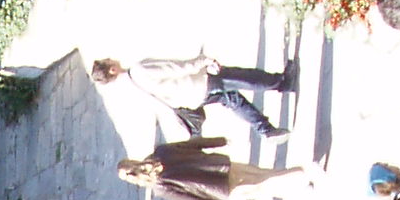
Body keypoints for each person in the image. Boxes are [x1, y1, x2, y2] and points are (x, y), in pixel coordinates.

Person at [90, 53, 295, 137]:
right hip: (198, 84)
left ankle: (266, 130)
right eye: (108, 60)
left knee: (232, 99)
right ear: (112, 70)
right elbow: (176, 68)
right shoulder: (139, 70)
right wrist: (203, 61)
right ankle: (281, 82)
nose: (111, 58)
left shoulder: (128, 92)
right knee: (243, 77)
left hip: (191, 100)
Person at [119, 139, 320, 200]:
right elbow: (192, 145)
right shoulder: (161, 151)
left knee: (264, 186)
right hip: (219, 166)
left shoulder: (160, 188)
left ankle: (303, 172)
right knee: (263, 175)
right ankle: (299, 187)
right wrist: (218, 141)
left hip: (220, 188)